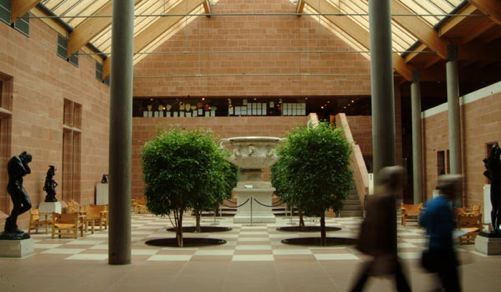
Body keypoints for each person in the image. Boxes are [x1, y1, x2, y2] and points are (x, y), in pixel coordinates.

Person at [349, 166, 411, 292]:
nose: (403, 182)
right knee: (400, 282)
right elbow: (381, 227)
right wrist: (382, 253)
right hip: (383, 251)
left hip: (380, 251)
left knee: (365, 277)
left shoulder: (377, 196)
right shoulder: (386, 199)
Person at [419, 175, 462, 292]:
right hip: (444, 252)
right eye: (456, 189)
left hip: (432, 247)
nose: (458, 192)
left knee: (440, 284)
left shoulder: (430, 203)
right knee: (452, 286)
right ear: (450, 190)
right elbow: (447, 231)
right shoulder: (444, 206)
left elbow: (422, 222)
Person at [3, 151, 33, 236]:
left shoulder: (20, 160)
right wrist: (23, 160)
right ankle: (12, 226)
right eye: (27, 160)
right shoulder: (15, 159)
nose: (27, 163)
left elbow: (28, 171)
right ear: (24, 157)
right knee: (17, 206)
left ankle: (10, 220)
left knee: (28, 204)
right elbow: (24, 171)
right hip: (14, 186)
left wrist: (25, 161)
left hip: (19, 186)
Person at [483, 144, 501, 233]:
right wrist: (493, 177)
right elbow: (487, 172)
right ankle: (494, 226)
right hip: (495, 187)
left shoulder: (499, 163)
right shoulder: (491, 163)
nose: (498, 154)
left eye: (499, 152)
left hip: (500, 186)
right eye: (496, 152)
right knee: (495, 208)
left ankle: (498, 226)